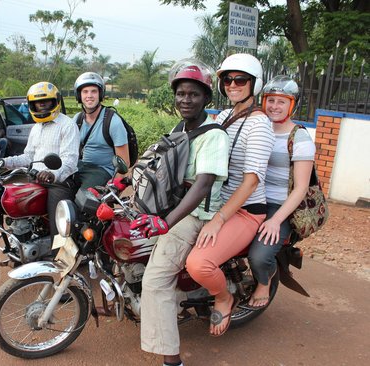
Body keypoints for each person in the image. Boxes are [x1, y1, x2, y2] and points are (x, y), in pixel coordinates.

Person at [132, 59, 230, 366]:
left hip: (193, 216)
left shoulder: (213, 135)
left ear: (207, 99)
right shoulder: (180, 127)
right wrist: (122, 179)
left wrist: (165, 221)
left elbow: (202, 186)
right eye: (181, 93)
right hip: (171, 208)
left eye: (194, 94)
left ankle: (172, 360)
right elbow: (154, 160)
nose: (185, 99)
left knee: (155, 281)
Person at [186, 53, 275, 337]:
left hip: (245, 209)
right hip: (214, 201)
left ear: (254, 83)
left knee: (198, 263)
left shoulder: (259, 124)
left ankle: (224, 297)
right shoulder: (225, 116)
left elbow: (250, 182)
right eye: (227, 79)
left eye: (240, 79)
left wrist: (219, 220)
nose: (232, 84)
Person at [247, 76, 315, 308]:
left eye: (281, 101)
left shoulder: (299, 137)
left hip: (280, 206)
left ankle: (265, 281)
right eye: (270, 100)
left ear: (292, 105)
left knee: (259, 255)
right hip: (251, 199)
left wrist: (276, 220)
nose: (274, 106)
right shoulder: (255, 127)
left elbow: (301, 188)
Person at [3, 82, 80, 237]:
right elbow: (29, 156)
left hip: (58, 183)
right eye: (38, 102)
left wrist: (53, 174)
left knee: (58, 227)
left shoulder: (67, 125)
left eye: (46, 101)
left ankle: (59, 254)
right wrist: (4, 162)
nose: (42, 105)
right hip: (35, 178)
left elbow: (70, 160)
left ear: (56, 101)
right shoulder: (36, 128)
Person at [72, 72, 129, 190]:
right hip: (81, 166)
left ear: (100, 94)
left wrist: (112, 187)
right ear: (79, 95)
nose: (89, 95)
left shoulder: (113, 122)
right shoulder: (77, 119)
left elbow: (124, 162)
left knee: (84, 200)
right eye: (85, 91)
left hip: (103, 170)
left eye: (94, 91)